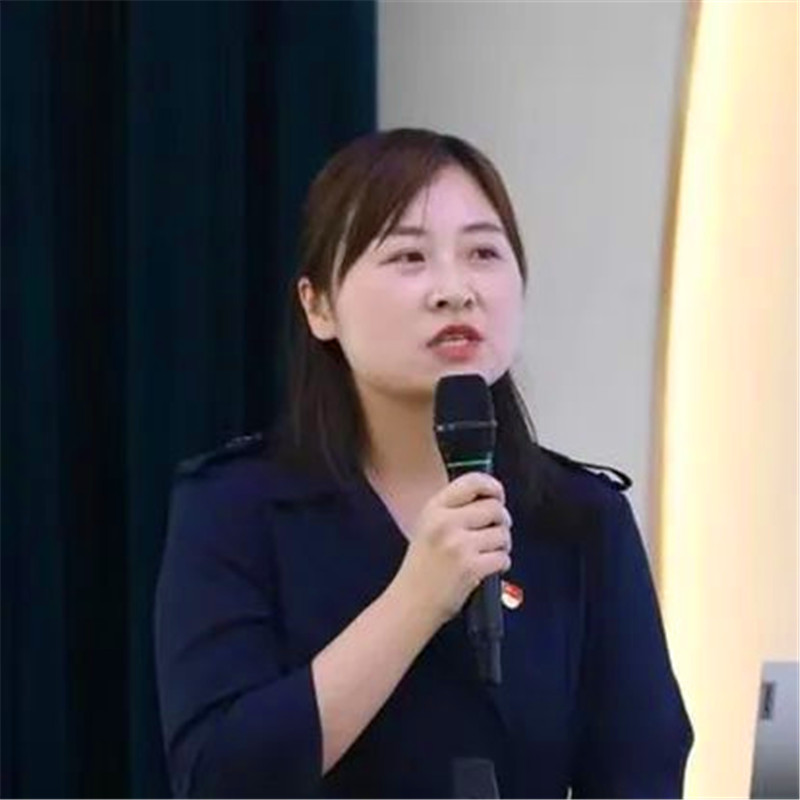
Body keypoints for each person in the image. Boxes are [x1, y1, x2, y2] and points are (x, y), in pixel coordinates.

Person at [154, 128, 694, 799]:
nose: (455, 290)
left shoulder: (581, 516)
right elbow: (220, 778)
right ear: (318, 306)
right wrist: (416, 600)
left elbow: (643, 772)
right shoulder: (235, 507)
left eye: (483, 253)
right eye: (409, 257)